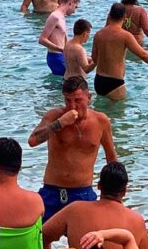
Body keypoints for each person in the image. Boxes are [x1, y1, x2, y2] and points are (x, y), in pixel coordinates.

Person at [27, 76, 117, 221]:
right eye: (68, 101)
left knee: (86, 241)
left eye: (77, 100)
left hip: (83, 193)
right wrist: (60, 123)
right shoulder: (55, 116)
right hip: (52, 190)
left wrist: (114, 195)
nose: (72, 106)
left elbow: (111, 158)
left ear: (89, 97)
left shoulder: (101, 121)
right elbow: (32, 141)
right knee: (42, 237)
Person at [41, 161, 148, 249]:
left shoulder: (75, 209)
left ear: (99, 186)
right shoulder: (137, 220)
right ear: (125, 191)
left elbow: (41, 236)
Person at [91, 3, 148, 101]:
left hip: (99, 81)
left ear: (109, 15)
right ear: (124, 17)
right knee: (118, 114)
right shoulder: (125, 36)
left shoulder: (98, 34)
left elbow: (94, 58)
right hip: (115, 82)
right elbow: (143, 55)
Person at [39, 0, 80, 76]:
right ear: (70, 3)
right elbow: (42, 40)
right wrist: (61, 49)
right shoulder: (55, 17)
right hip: (55, 56)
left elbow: (64, 40)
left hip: (61, 56)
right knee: (70, 81)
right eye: (75, 7)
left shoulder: (61, 16)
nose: (74, 11)